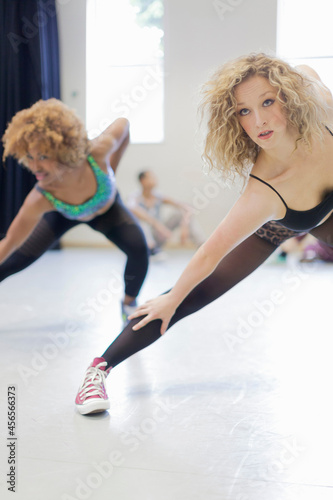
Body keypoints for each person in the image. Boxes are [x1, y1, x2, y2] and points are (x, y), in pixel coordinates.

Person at [73, 52, 333, 415]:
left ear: (290, 96)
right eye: (243, 111)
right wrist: (172, 297)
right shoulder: (262, 192)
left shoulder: (318, 98)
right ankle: (97, 370)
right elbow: (209, 254)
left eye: (268, 102)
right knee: (184, 297)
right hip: (280, 220)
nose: (258, 121)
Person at [0, 98, 149, 324]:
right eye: (30, 157)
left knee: (139, 248)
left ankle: (128, 304)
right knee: (13, 261)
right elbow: (10, 241)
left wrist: (112, 168)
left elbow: (124, 123)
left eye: (43, 157)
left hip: (107, 212)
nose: (35, 167)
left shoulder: (98, 152)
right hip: (62, 216)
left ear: (63, 149)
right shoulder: (40, 197)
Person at [127, 169, 205, 257]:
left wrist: (185, 225)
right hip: (143, 239)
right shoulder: (135, 197)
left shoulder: (158, 196)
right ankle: (151, 249)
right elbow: (132, 208)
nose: (155, 179)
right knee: (142, 222)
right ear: (142, 180)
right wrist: (157, 225)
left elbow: (186, 207)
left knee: (178, 215)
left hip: (158, 235)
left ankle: (202, 246)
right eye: (151, 177)